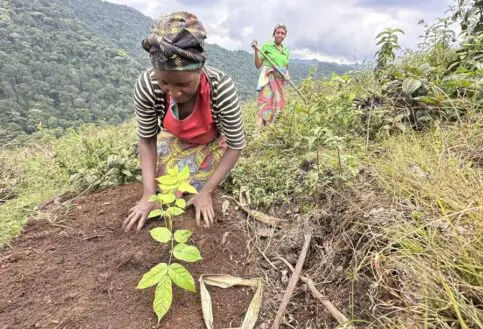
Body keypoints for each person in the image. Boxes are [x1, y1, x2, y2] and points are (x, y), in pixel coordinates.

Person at [122, 12, 245, 232]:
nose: (175, 93)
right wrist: (148, 195)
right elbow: (147, 139)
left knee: (193, 185)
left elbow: (236, 145)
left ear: (199, 69)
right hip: (174, 139)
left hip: (212, 144)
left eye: (183, 84)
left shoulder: (221, 88)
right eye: (165, 83)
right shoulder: (147, 85)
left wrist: (206, 192)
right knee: (162, 183)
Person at [251, 24, 290, 128]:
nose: (280, 35)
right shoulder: (267, 47)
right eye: (278, 33)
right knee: (265, 103)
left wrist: (287, 75)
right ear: (274, 34)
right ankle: (258, 130)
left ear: (285, 36)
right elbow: (258, 65)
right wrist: (256, 50)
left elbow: (286, 67)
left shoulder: (286, 51)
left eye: (282, 33)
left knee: (277, 106)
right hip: (268, 79)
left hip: (280, 81)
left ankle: (269, 130)